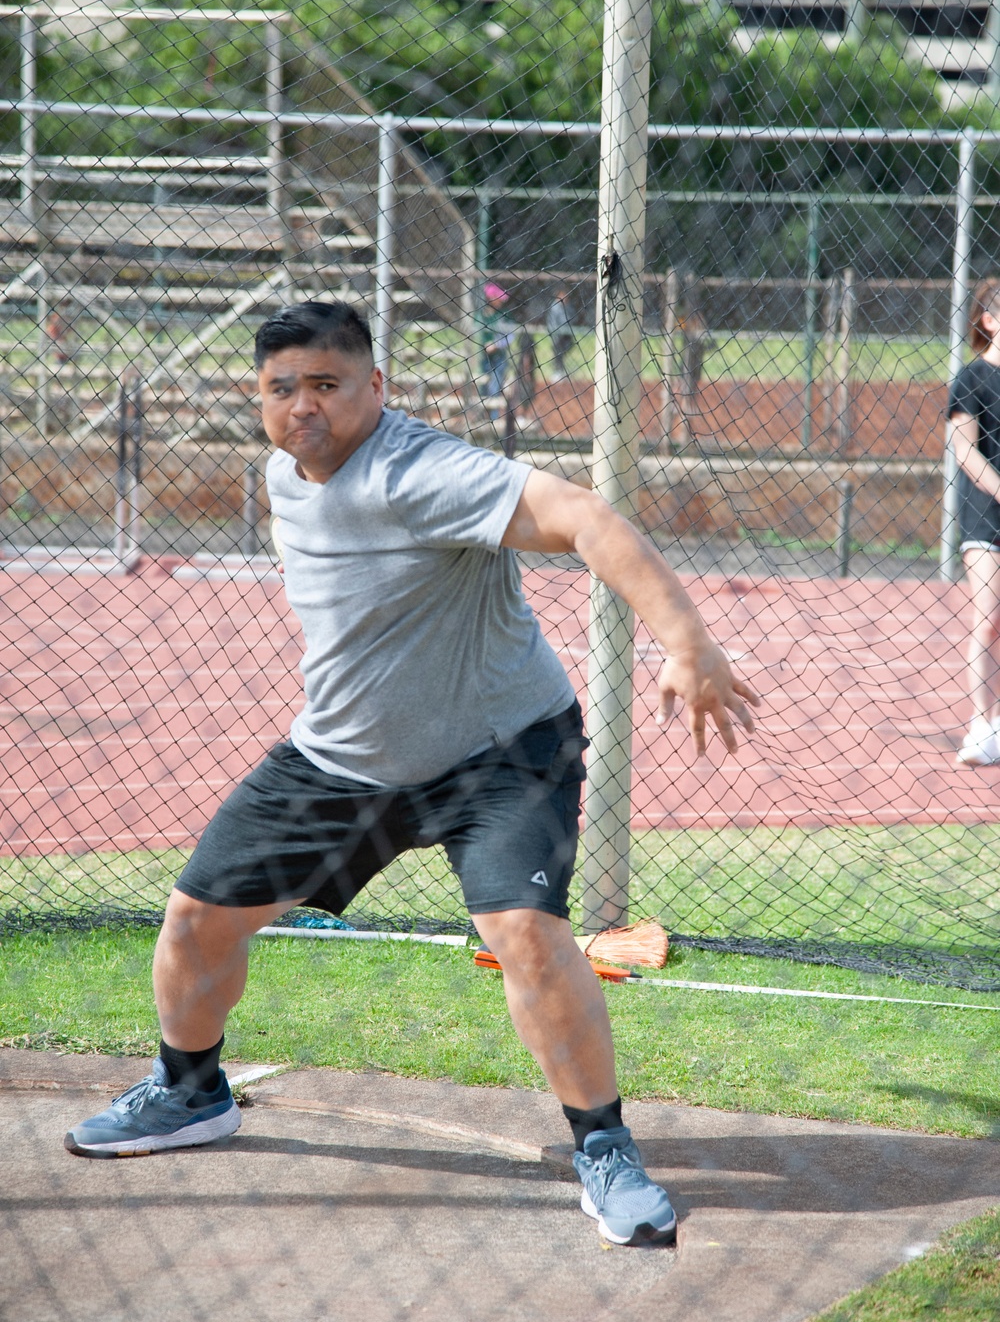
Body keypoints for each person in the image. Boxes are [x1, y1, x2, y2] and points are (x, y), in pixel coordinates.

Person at [65, 300, 758, 1248]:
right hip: (345, 758)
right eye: (283, 388)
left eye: (327, 385)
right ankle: (190, 1094)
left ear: (375, 387)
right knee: (195, 920)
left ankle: (603, 1146)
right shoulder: (284, 471)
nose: (304, 406)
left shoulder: (422, 469)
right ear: (257, 397)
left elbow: (584, 515)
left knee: (525, 932)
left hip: (500, 753)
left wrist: (687, 642)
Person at [949, 277, 1000, 765]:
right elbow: (965, 447)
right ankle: (982, 726)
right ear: (990, 320)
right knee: (987, 619)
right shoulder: (972, 379)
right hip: (985, 515)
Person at [480, 282, 514, 404]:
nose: (501, 301)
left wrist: (496, 344)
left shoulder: (504, 314)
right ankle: (482, 418)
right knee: (482, 389)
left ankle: (493, 419)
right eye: (498, 298)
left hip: (499, 357)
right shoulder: (482, 314)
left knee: (494, 389)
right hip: (483, 357)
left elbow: (510, 336)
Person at [546, 288, 576, 380]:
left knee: (567, 348)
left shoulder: (568, 306)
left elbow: (573, 318)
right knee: (558, 353)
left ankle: (564, 370)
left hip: (566, 334)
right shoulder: (554, 307)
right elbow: (552, 322)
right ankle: (558, 372)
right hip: (557, 334)